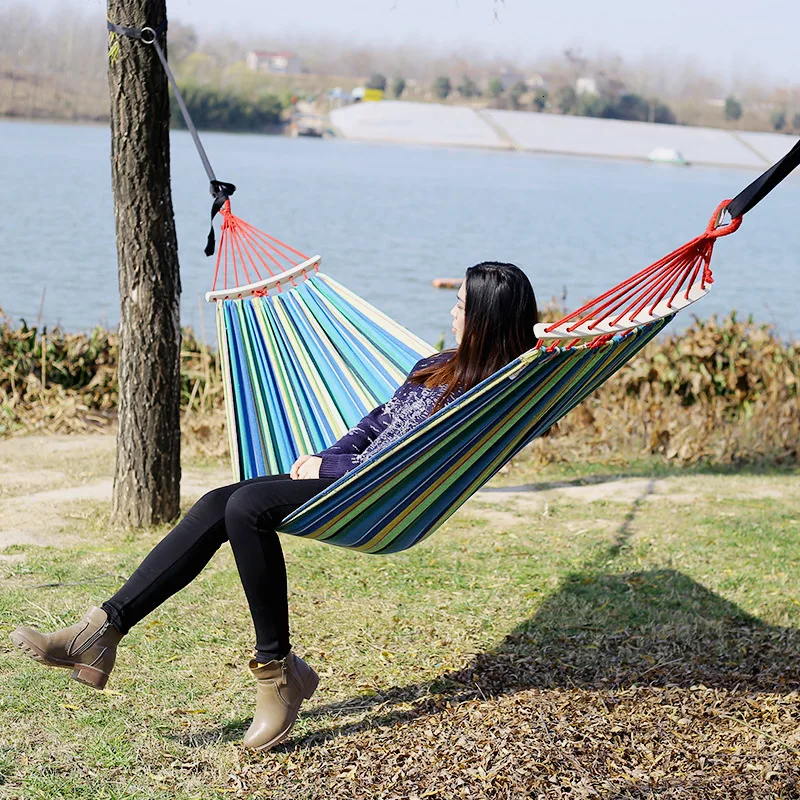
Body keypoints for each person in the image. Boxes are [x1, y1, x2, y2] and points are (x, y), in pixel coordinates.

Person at [9, 261, 539, 752]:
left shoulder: (487, 392)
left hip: (380, 496)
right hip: (353, 477)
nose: (452, 310)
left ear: (488, 319)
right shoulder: (437, 365)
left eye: (463, 305)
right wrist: (325, 459)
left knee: (248, 508)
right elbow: (376, 425)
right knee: (221, 501)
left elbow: (415, 460)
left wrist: (332, 473)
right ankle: (102, 631)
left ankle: (277, 672)